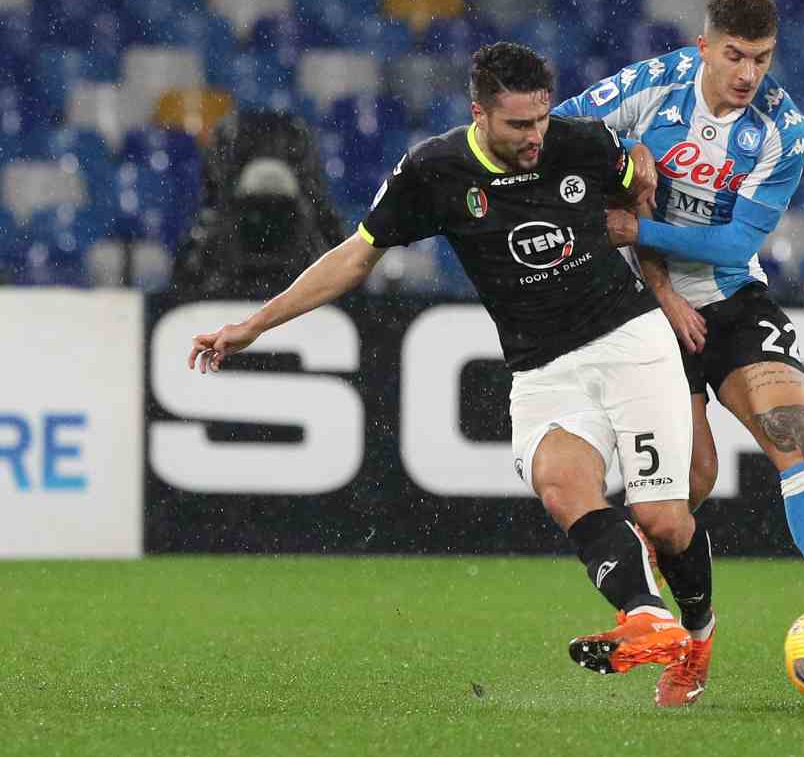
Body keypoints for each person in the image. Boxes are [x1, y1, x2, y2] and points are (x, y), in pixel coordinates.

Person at [187, 42, 717, 707]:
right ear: (480, 114)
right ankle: (647, 617)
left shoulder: (579, 144)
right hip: (542, 366)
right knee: (561, 485)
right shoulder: (434, 171)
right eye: (518, 126)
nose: (534, 138)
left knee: (664, 520)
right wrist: (254, 325)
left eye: (541, 121)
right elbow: (355, 257)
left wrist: (640, 172)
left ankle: (696, 638)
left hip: (627, 341)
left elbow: (641, 192)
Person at [555, 0, 804, 680]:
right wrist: (624, 151)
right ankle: (681, 639)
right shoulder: (655, 85)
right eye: (734, 56)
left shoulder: (782, 130)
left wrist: (638, 226)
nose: (747, 75)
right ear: (704, 46)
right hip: (644, 314)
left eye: (761, 59)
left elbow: (735, 246)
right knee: (680, 495)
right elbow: (554, 129)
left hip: (731, 301)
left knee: (790, 428)